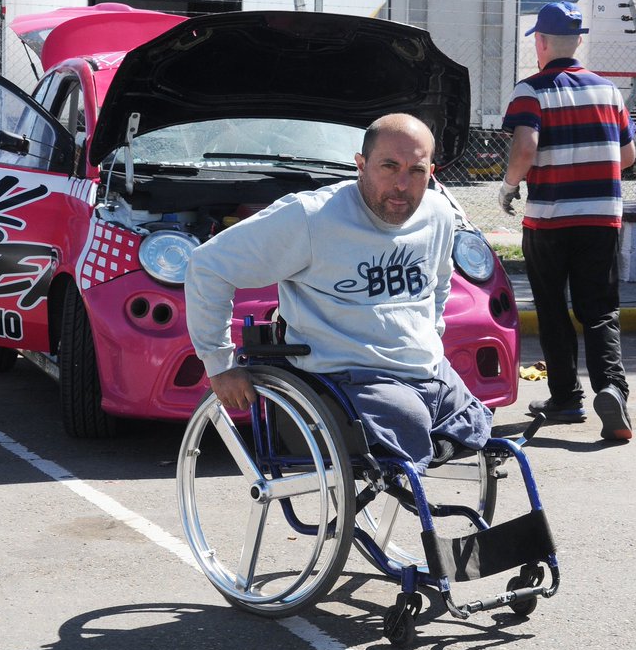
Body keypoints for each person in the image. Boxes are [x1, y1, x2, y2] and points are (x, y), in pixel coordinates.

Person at [184, 112, 492, 469]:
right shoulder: (312, 217)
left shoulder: (438, 213)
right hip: (349, 377)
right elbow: (208, 265)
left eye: (416, 171)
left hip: (426, 371)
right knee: (411, 425)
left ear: (432, 172)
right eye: (389, 166)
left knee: (480, 429)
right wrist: (219, 365)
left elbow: (438, 281)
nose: (402, 184)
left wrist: (431, 335)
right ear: (360, 165)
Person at [498, 1, 636, 441]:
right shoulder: (609, 92)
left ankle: (565, 399)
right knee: (600, 310)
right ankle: (611, 389)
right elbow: (628, 155)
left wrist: (508, 186)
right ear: (578, 41)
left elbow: (524, 148)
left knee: (553, 309)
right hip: (601, 220)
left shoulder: (530, 91)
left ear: (540, 41)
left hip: (549, 221)